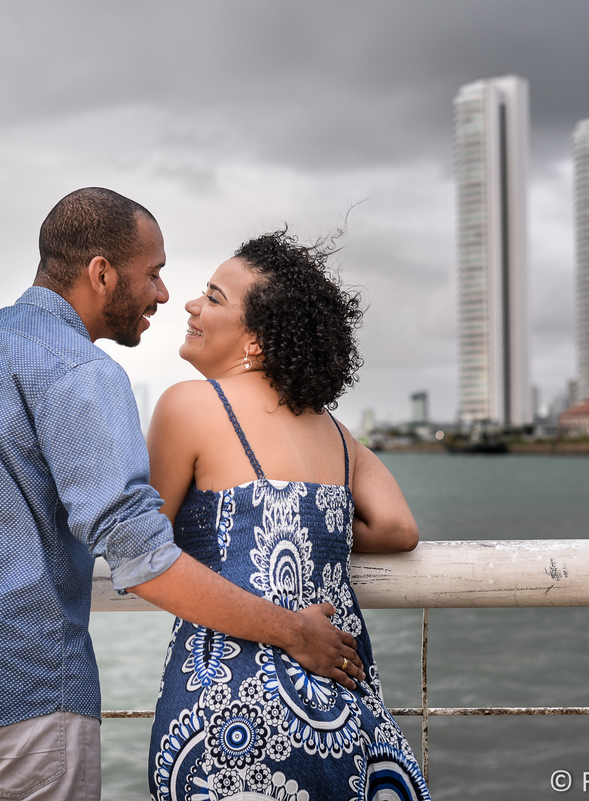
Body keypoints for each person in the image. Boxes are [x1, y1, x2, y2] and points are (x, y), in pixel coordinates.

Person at [0, 189, 363, 801]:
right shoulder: (84, 371)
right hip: (23, 690)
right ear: (101, 273)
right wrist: (295, 633)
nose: (162, 292)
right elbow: (144, 561)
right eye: (152, 273)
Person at [147, 231, 432, 800]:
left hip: (226, 719)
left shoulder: (189, 404)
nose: (191, 305)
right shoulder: (333, 431)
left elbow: (145, 537)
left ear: (256, 337)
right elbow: (398, 529)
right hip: (339, 716)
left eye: (214, 297)